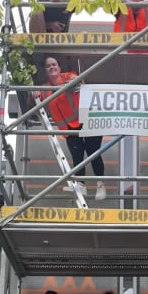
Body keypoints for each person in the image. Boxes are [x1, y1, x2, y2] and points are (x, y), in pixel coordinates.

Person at [35, 56, 107, 201]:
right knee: (77, 156)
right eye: (48, 66)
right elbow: (34, 103)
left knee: (93, 152)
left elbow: (77, 80)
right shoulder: (46, 89)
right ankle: (81, 185)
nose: (51, 67)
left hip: (87, 120)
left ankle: (101, 186)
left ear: (59, 67)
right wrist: (34, 95)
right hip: (69, 128)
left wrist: (72, 82)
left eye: (54, 64)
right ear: (46, 70)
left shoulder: (68, 76)